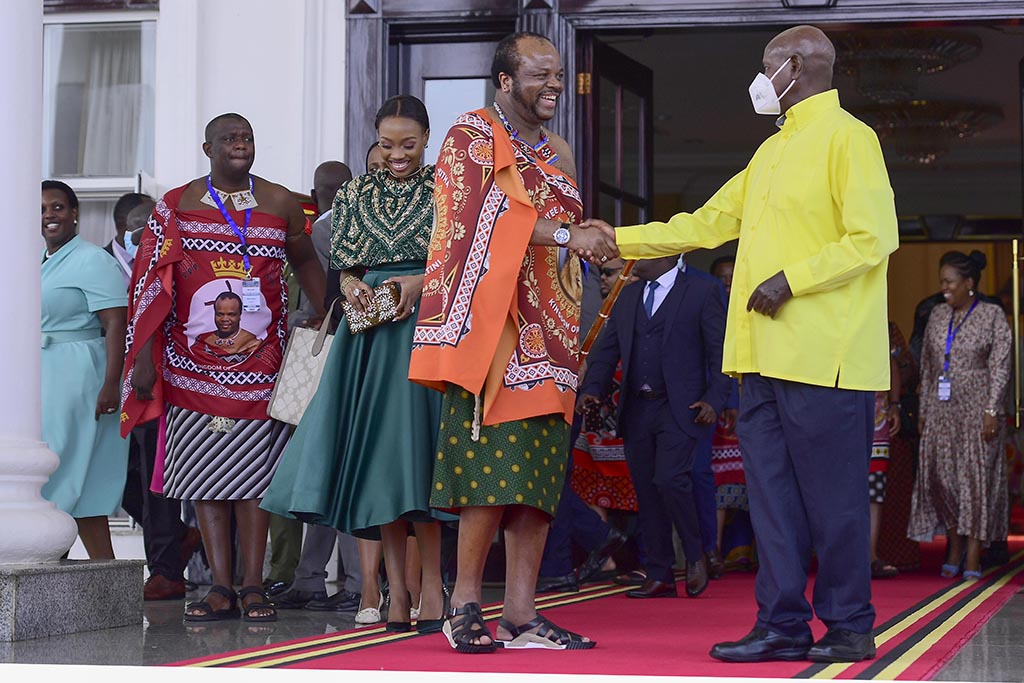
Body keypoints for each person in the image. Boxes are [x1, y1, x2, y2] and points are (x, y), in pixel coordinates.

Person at [589, 25, 898, 663]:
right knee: (771, 501)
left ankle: (848, 625)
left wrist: (792, 279)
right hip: (758, 358)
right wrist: (617, 239)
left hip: (824, 359)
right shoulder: (770, 153)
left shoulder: (850, 139)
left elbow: (874, 236)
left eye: (765, 68)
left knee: (834, 500)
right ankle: (781, 625)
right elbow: (702, 224)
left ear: (792, 67)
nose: (759, 82)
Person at [409, 31, 616, 653]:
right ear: (505, 81)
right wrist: (564, 237)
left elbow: (568, 229)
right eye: (540, 76)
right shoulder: (471, 135)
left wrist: (593, 236)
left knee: (538, 480)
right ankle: (465, 604)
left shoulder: (560, 151)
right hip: (494, 330)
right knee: (491, 473)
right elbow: (480, 215)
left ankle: (522, 615)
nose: (554, 86)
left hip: (552, 334)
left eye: (558, 76)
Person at [120, 112, 327, 623]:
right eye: (230, 139)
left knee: (253, 481)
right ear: (207, 147)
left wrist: (323, 317)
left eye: (247, 137)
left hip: (262, 369)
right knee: (207, 481)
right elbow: (149, 282)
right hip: (192, 369)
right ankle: (219, 587)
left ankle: (253, 586)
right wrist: (144, 360)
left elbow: (304, 260)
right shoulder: (176, 206)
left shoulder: (281, 201)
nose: (240, 145)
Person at [261, 95, 451, 634]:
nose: (397, 154)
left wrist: (417, 283)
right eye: (387, 144)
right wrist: (351, 289)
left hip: (425, 324)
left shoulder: (446, 187)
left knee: (422, 460)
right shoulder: (354, 191)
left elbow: (463, 262)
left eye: (408, 144)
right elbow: (343, 266)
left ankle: (432, 591)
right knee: (377, 465)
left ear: (427, 139)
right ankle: (393, 596)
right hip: (369, 333)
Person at [578, 254, 730, 599]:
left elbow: (719, 351)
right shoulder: (627, 294)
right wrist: (592, 390)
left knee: (671, 479)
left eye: (640, 251)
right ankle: (660, 573)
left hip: (682, 407)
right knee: (646, 490)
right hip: (637, 408)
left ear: (665, 254)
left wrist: (715, 398)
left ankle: (696, 556)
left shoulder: (702, 290)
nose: (629, 258)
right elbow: (608, 348)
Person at [117, 198, 205, 600]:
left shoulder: (178, 255)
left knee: (158, 473)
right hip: (120, 380)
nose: (145, 234)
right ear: (121, 227)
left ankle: (166, 569)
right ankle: (181, 539)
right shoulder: (105, 261)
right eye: (138, 229)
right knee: (124, 478)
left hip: (166, 375)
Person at [908, 250, 1011, 580]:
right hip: (941, 410)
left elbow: (1001, 366)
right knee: (943, 481)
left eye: (949, 281)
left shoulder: (992, 315)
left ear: (969, 283)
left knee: (975, 482)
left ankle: (972, 553)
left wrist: (993, 409)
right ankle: (953, 543)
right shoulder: (937, 314)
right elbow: (927, 366)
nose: (944, 288)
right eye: (941, 282)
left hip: (978, 409)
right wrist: (924, 411)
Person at [40, 180, 129, 560]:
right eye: (42, 209)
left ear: (75, 212)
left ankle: (45, 556)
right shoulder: (37, 260)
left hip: (79, 373)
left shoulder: (92, 259)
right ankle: (98, 572)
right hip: (44, 371)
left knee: (58, 467)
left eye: (57, 207)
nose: (49, 215)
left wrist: (111, 383)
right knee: (70, 475)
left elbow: (115, 324)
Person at [105, 192, 152, 288]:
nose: (156, 226)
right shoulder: (96, 263)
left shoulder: (163, 259)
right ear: (126, 223)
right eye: (150, 219)